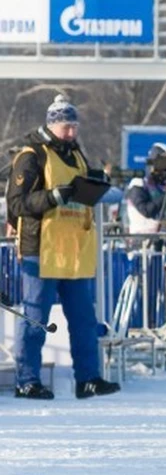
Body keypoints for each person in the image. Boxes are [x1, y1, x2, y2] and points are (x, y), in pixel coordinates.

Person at [5, 94, 121, 400]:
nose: (71, 133)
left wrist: (94, 184)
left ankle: (88, 377)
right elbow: (16, 204)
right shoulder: (31, 156)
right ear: (52, 124)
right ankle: (27, 379)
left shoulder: (76, 154)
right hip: (41, 249)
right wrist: (54, 196)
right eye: (66, 127)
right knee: (36, 318)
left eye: (74, 126)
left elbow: (78, 193)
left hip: (74, 250)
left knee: (84, 319)